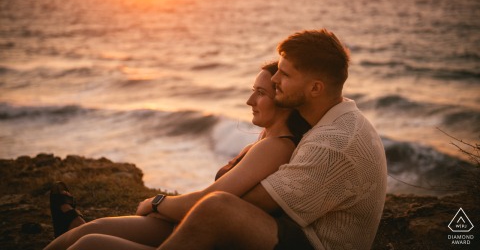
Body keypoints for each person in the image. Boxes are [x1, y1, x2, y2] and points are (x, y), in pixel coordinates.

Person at [73, 28, 387, 250]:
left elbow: (237, 206)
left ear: (316, 88)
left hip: (313, 244)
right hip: (294, 232)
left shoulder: (333, 142)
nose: (275, 80)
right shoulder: (332, 119)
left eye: (285, 74)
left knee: (218, 207)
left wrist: (160, 204)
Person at [44, 61, 311, 250]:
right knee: (90, 230)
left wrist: (156, 203)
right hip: (190, 223)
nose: (249, 100)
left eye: (261, 93)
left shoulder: (277, 147)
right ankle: (73, 225)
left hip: (205, 237)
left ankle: (73, 226)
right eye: (253, 90)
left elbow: (208, 200)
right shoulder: (266, 139)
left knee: (90, 243)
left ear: (284, 101)